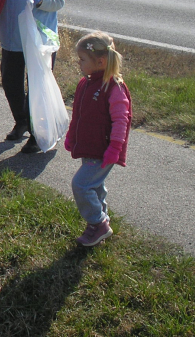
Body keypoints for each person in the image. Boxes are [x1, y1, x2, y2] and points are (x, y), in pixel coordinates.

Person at [0, 0, 65, 154]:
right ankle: (22, 121)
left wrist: (40, 1)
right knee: (10, 82)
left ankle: (39, 135)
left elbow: (58, 0)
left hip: (38, 40)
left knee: (38, 87)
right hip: (11, 36)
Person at [65, 31, 131, 247]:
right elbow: (79, 114)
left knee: (81, 185)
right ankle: (102, 218)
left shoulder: (114, 88)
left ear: (100, 62)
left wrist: (114, 149)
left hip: (104, 150)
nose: (79, 63)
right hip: (89, 146)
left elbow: (122, 121)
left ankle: (98, 223)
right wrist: (71, 136)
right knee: (95, 185)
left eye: (83, 59)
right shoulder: (87, 83)